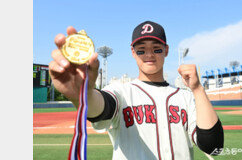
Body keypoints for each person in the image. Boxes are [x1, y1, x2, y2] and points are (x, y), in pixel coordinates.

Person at [49, 21, 224, 160]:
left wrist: (197, 89)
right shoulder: (121, 92)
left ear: (166, 50)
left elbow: (213, 146)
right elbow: (102, 108)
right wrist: (83, 94)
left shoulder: (186, 97)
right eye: (141, 50)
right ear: (133, 52)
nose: (149, 54)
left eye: (156, 48)